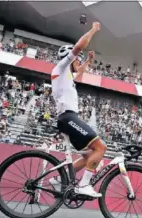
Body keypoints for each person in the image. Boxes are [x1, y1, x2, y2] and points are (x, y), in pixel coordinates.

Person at [48, 22, 107, 198]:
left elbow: (79, 72)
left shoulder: (65, 75)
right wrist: (94, 30)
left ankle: (59, 180)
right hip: (68, 117)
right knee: (100, 148)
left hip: (67, 118)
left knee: (90, 155)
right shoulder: (61, 67)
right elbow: (79, 46)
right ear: (69, 57)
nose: (78, 62)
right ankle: (83, 185)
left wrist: (88, 61)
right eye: (77, 60)